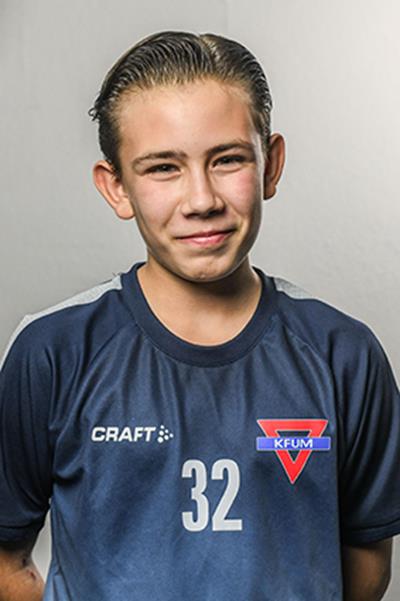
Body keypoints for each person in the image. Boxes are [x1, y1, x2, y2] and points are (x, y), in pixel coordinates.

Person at [0, 30, 399, 601]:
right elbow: (6, 558)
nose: (202, 199)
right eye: (163, 168)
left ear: (271, 165)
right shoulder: (53, 352)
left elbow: (366, 560)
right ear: (117, 188)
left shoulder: (344, 355)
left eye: (228, 159)